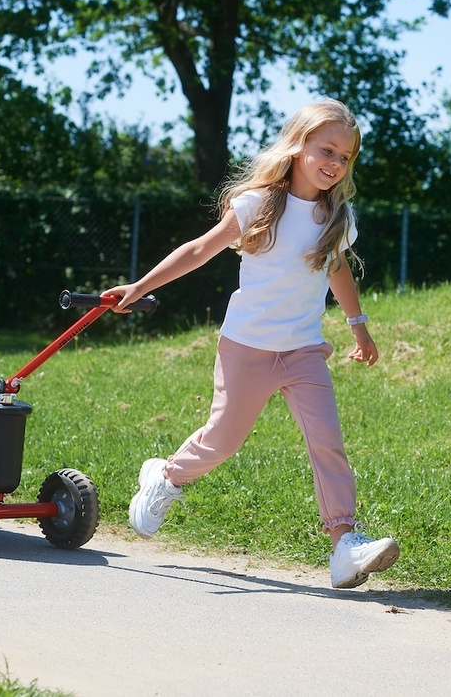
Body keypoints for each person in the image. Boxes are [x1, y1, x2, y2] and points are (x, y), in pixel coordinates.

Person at [103, 99, 399, 589]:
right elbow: (200, 249)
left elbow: (338, 268)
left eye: (345, 157)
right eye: (327, 149)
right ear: (299, 144)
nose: (334, 163)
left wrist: (358, 324)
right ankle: (166, 476)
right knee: (223, 441)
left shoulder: (337, 217)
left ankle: (345, 544)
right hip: (247, 347)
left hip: (303, 351)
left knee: (327, 442)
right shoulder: (259, 203)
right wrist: (139, 288)